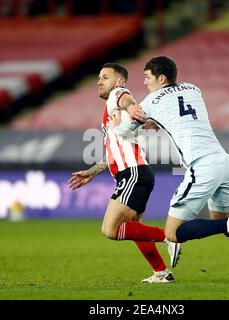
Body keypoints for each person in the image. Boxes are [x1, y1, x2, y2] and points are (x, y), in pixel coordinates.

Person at [119, 56, 229, 285]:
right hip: (223, 162)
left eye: (147, 77)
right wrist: (156, 122)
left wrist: (119, 122)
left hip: (201, 165)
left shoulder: (150, 101)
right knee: (223, 224)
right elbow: (179, 114)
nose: (144, 82)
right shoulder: (193, 89)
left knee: (172, 233)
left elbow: (124, 131)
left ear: (161, 78)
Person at [67, 63, 174, 283]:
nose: (99, 81)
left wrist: (131, 106)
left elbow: (125, 98)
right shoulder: (114, 115)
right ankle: (161, 272)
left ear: (119, 81)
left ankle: (170, 236)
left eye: (105, 77)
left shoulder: (118, 95)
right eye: (99, 77)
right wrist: (92, 172)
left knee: (110, 229)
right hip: (137, 172)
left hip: (132, 173)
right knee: (133, 227)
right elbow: (114, 153)